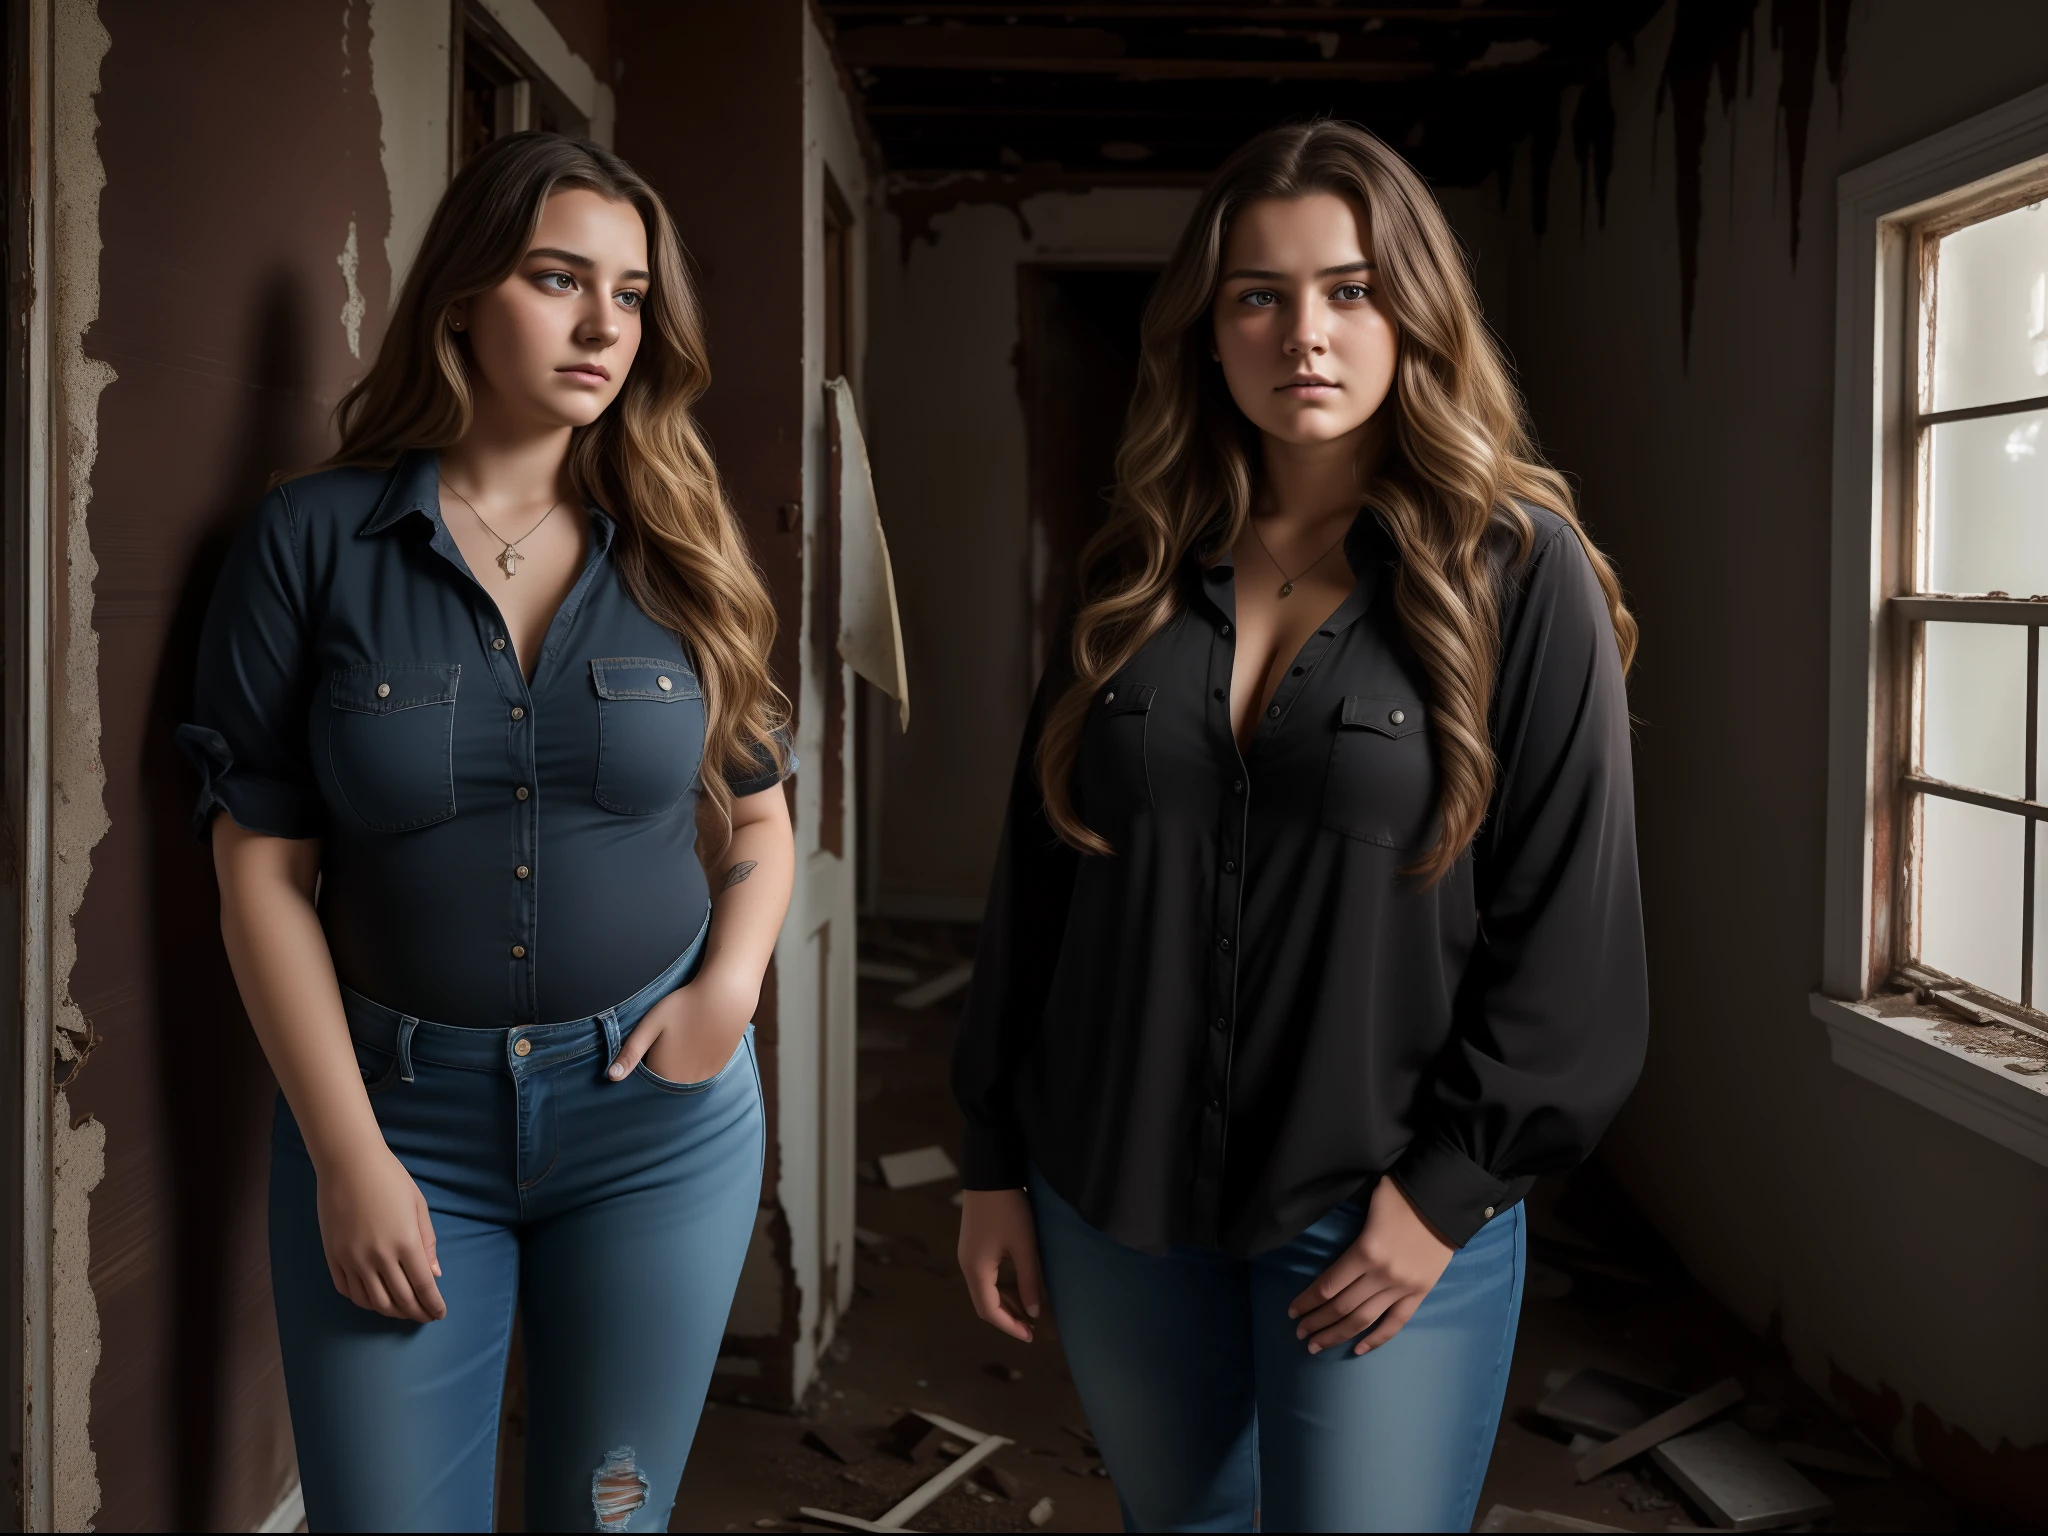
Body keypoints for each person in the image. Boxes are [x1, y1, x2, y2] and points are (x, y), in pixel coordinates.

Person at [952, 120, 1647, 1533]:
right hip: (1114, 1195)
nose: (1304, 335)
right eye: (1258, 296)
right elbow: (1040, 883)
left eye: (1350, 290)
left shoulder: (1522, 574)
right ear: (1208, 332)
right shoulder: (1134, 568)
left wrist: (1441, 1199)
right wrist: (990, 1162)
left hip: (1377, 1212)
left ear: (1415, 315)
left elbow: (1572, 936)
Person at [177, 132, 792, 1533]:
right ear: (461, 297)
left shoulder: (679, 540)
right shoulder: (311, 541)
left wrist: (730, 990)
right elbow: (260, 869)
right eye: (557, 278)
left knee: (610, 1512)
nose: (601, 327)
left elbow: (758, 811)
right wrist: (347, 1152)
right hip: (399, 1121)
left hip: (657, 1125)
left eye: (631, 295)